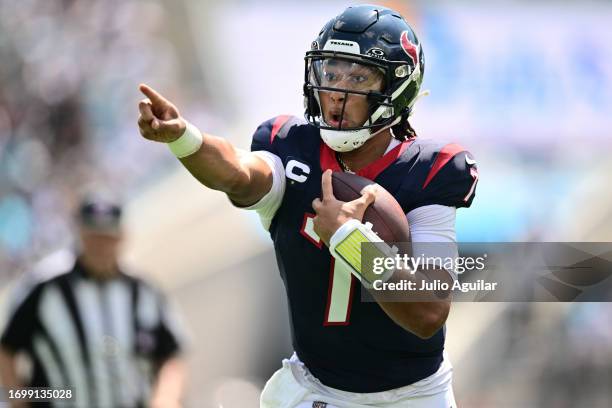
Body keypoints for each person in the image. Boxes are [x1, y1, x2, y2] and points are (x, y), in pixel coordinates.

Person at [137, 4, 478, 407]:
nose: (336, 91)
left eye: (358, 77)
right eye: (331, 73)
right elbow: (236, 172)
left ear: (395, 89)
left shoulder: (429, 171)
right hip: (312, 391)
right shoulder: (290, 146)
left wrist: (351, 240)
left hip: (409, 397)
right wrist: (184, 139)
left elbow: (428, 312)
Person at [0, 194, 186, 408]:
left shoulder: (143, 290)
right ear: (79, 234)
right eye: (93, 236)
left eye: (107, 237)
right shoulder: (45, 287)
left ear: (122, 236)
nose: (100, 245)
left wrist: (165, 398)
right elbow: (6, 351)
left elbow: (171, 353)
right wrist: (19, 401)